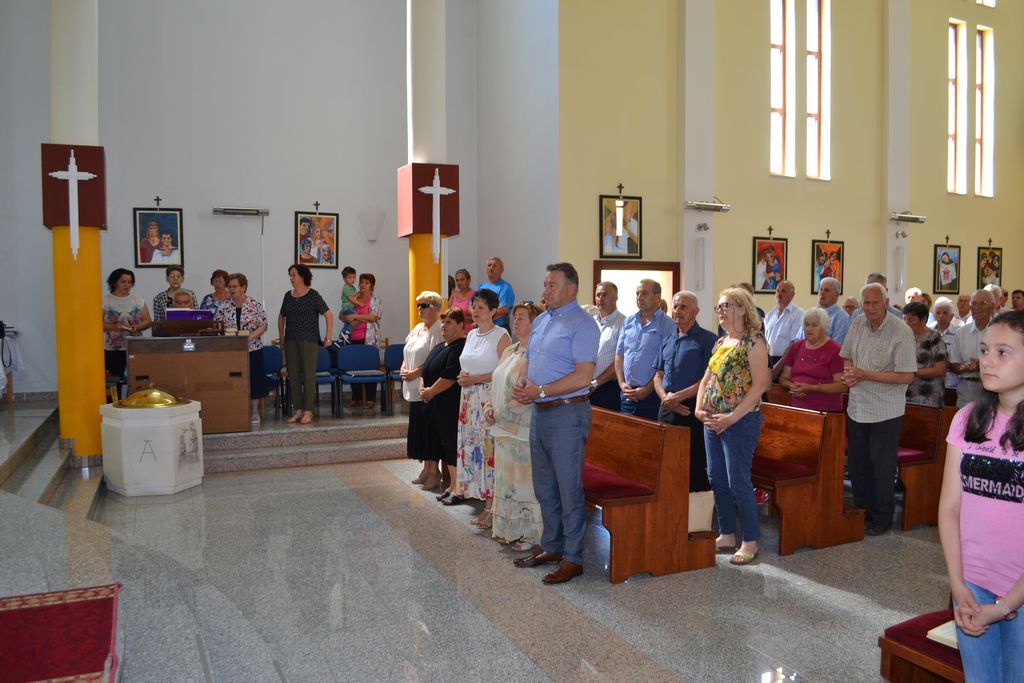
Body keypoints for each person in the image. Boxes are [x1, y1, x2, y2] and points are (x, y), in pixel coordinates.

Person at [938, 310, 1024, 682]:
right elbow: (949, 508)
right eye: (985, 350)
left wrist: (1006, 605)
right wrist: (958, 584)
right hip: (972, 582)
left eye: (1003, 352)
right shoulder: (968, 419)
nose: (987, 360)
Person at [511, 262, 598, 585]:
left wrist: (542, 390)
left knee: (567, 487)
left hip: (567, 413)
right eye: (545, 284)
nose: (545, 290)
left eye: (552, 285)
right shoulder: (543, 320)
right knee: (545, 486)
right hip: (541, 411)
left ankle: (573, 557)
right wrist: (524, 382)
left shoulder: (583, 324)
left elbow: (584, 376)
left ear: (571, 288)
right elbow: (530, 358)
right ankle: (552, 546)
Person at [695, 287, 770, 566]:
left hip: (740, 421)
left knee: (738, 480)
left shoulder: (754, 341)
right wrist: (699, 408)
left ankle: (750, 539)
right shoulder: (722, 341)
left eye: (726, 305)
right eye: (719, 307)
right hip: (713, 420)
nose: (721, 311)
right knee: (716, 477)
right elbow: (707, 378)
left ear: (742, 308)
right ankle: (727, 533)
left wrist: (732, 417)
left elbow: (759, 386)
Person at [840, 282, 917, 536]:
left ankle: (883, 517)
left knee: (882, 466)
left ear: (886, 303)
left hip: (886, 410)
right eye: (866, 303)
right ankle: (864, 512)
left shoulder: (900, 330)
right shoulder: (858, 323)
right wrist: (850, 372)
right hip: (858, 406)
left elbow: (906, 376)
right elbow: (847, 355)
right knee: (858, 464)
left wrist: (865, 374)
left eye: (875, 303)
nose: (870, 308)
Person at [486, 301, 545, 550]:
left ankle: (531, 535)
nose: (516, 321)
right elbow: (496, 382)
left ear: (535, 323)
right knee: (505, 483)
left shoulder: (537, 354)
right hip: (501, 427)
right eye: (515, 316)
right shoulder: (510, 350)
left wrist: (500, 413)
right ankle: (508, 529)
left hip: (522, 428)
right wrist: (489, 408)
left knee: (523, 484)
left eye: (522, 317)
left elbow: (526, 394)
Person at [451, 289, 511, 523]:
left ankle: (492, 507)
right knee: (473, 449)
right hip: (468, 399)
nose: (475, 311)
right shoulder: (471, 334)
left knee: (488, 452)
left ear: (494, 311)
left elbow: (504, 372)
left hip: (487, 399)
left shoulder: (501, 335)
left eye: (481, 307)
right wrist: (464, 378)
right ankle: (482, 499)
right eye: (473, 306)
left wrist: (475, 379)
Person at [653, 291, 717, 491]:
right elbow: (658, 375)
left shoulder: (708, 340)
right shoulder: (668, 338)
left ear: (696, 312)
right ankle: (671, 504)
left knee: (693, 465)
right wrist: (666, 398)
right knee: (666, 462)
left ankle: (697, 508)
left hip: (692, 408)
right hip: (666, 406)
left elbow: (708, 380)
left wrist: (679, 397)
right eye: (675, 306)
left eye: (684, 307)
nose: (678, 311)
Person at [277, 263, 333, 425]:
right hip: (290, 340)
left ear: (302, 276)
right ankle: (298, 410)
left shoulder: (313, 295)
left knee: (308, 376)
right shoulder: (288, 296)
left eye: (293, 274)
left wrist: (328, 337)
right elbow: (281, 316)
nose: (291, 278)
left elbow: (329, 315)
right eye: (290, 275)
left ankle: (309, 411)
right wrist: (281, 336)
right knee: (293, 376)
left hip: (309, 341)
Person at [422, 309, 468, 505]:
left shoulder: (461, 347)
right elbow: (426, 368)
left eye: (449, 322)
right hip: (435, 403)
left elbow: (450, 375)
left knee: (452, 444)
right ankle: (452, 485)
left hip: (450, 403)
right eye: (443, 322)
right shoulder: (441, 345)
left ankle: (459, 487)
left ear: (461, 325)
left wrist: (431, 391)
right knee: (446, 445)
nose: (443, 326)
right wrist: (423, 388)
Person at [615, 279, 676, 420]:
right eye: (637, 293)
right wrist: (622, 383)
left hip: (652, 396)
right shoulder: (628, 322)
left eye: (644, 293)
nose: (639, 297)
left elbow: (667, 364)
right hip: (627, 394)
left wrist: (647, 390)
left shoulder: (668, 325)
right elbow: (619, 355)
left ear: (657, 297)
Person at [402, 291, 444, 490]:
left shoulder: (438, 330)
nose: (420, 309)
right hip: (412, 386)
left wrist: (416, 372)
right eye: (419, 305)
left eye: (425, 305)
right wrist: (404, 368)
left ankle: (435, 471)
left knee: (429, 431)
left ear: (436, 309)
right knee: (419, 429)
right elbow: (407, 351)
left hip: (427, 386)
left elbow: (434, 359)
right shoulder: (418, 328)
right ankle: (426, 468)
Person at [215, 273, 268, 423]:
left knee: (254, 379)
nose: (231, 289)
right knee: (233, 379)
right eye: (229, 287)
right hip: (231, 350)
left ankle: (255, 411)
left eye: (234, 286)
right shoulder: (224, 306)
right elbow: (217, 325)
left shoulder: (254, 305)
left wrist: (248, 338)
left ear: (243, 287)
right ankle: (236, 409)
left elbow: (263, 325)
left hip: (252, 348)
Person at [778, 308, 845, 412]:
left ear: (823, 327)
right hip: (795, 407)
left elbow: (841, 386)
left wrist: (812, 388)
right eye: (806, 324)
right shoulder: (796, 347)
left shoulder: (835, 350)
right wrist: (791, 386)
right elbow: (784, 378)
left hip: (825, 411)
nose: (809, 329)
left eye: (814, 325)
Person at [341, 273, 382, 409]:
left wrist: (355, 316)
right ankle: (356, 397)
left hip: (368, 340)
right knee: (354, 368)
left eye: (367, 283)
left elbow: (373, 317)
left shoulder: (375, 300)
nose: (363, 285)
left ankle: (370, 399)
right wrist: (347, 317)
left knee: (370, 369)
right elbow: (342, 314)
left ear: (372, 286)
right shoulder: (354, 298)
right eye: (362, 282)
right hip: (353, 338)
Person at [102, 268, 152, 378]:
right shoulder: (105, 301)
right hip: (113, 349)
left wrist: (136, 327)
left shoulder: (137, 300)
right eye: (123, 282)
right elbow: (98, 324)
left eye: (129, 282)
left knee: (138, 377)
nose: (127, 285)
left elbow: (147, 321)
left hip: (135, 346)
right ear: (115, 282)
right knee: (114, 378)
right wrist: (115, 327)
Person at [952, 289, 997, 408]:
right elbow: (953, 364)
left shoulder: (1000, 332)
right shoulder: (961, 333)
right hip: (965, 392)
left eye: (983, 303)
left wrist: (981, 365)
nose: (977, 307)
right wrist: (965, 367)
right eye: (974, 303)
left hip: (993, 393)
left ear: (992, 306)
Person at [903, 301, 948, 407]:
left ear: (923, 320)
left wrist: (912, 373)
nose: (906, 323)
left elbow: (940, 369)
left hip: (929, 395)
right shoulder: (903, 338)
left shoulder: (934, 339)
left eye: (911, 320)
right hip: (906, 394)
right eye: (904, 319)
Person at [590, 281, 625, 411]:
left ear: (616, 297)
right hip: (584, 385)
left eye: (605, 295)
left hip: (607, 388)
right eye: (598, 295)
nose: (600, 299)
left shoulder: (624, 323)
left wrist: (597, 382)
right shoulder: (590, 322)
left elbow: (621, 359)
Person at [763, 280, 803, 376]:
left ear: (792, 295)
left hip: (786, 362)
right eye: (777, 290)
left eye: (783, 291)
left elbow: (794, 344)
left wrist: (778, 366)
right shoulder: (771, 314)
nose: (779, 294)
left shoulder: (798, 314)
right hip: (767, 359)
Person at [929, 296, 962, 392]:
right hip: (930, 381)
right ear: (934, 315)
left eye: (945, 313)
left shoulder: (958, 332)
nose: (941, 316)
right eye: (938, 313)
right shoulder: (928, 331)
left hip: (950, 382)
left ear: (951, 316)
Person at [477, 257, 515, 331]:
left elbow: (503, 310)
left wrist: (484, 319)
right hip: (482, 327)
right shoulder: (481, 286)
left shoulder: (506, 288)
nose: (491, 268)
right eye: (489, 265)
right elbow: (471, 306)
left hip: (499, 328)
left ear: (501, 270)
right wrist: (478, 318)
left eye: (494, 266)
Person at [816, 276, 851, 345]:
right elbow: (799, 339)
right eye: (820, 289)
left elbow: (837, 346)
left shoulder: (842, 318)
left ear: (836, 295)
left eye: (826, 290)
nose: (821, 293)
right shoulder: (811, 314)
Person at [337, 266, 362, 341]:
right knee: (358, 319)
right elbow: (351, 299)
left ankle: (341, 338)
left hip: (349, 307)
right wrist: (359, 303)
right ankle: (347, 332)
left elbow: (354, 296)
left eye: (354, 277)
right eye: (349, 277)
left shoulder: (352, 287)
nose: (352, 279)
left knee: (347, 324)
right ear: (344, 279)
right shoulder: (346, 287)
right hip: (348, 308)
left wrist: (359, 293)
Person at [448, 268, 475, 332]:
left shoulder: (475, 295)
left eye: (462, 280)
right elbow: (448, 311)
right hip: (454, 332)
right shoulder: (454, 294)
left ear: (469, 280)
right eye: (457, 280)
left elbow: (479, 316)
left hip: (469, 332)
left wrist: (461, 318)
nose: (459, 282)